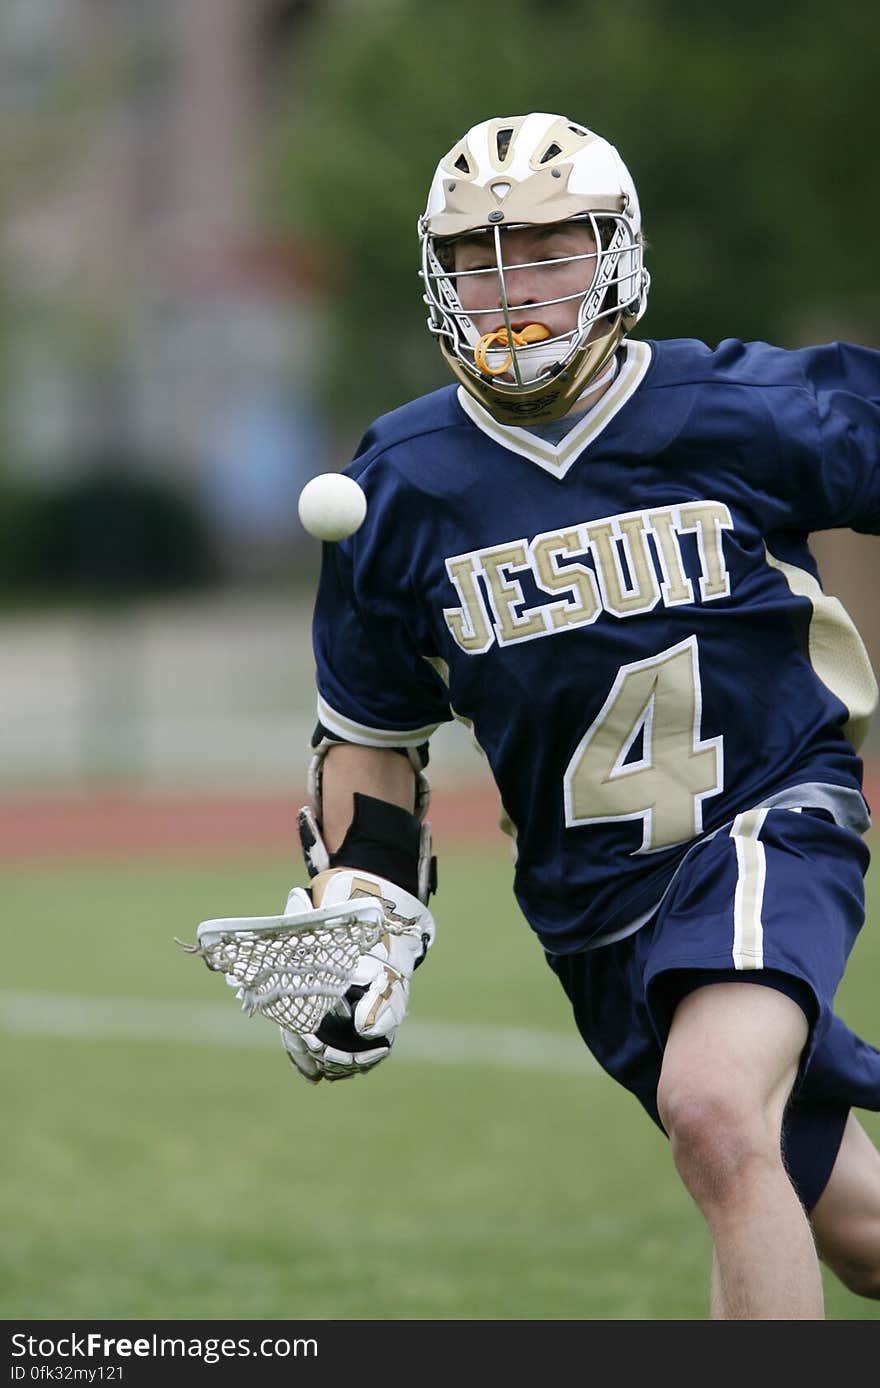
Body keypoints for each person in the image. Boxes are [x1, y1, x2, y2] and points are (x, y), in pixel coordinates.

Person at [216, 113, 880, 1318]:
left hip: (769, 817)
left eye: (546, 250)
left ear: (614, 254)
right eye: (479, 260)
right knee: (859, 1230)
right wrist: (358, 907)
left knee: (717, 1113)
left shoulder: (742, 406)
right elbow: (374, 728)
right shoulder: (400, 484)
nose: (511, 287)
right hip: (592, 911)